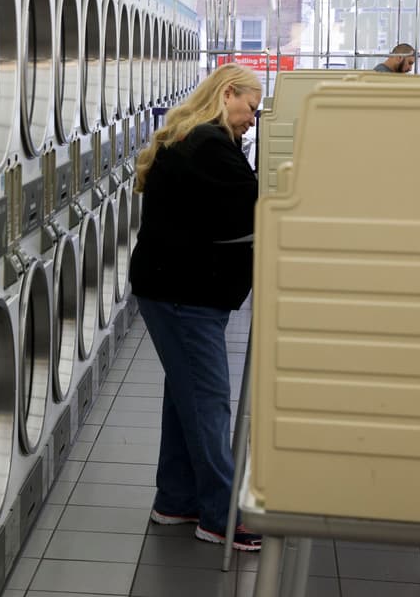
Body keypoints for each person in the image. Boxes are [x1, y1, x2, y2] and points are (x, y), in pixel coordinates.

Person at [129, 63, 263, 552]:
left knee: (184, 394)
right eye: (251, 107)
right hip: (184, 294)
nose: (253, 118)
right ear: (228, 94)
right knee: (208, 400)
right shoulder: (208, 144)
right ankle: (220, 515)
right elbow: (253, 204)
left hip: (172, 288)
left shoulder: (196, 137)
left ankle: (176, 498)